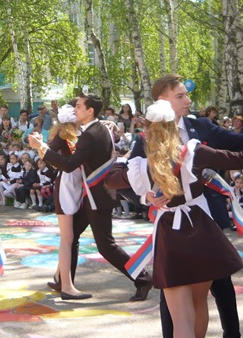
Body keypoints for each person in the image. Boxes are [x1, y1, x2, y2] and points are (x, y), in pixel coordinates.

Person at [127, 99, 243, 338]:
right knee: (199, 303)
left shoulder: (140, 163)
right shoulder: (194, 151)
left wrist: (146, 197)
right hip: (200, 229)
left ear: (148, 129)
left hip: (170, 235)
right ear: (174, 126)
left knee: (181, 319)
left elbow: (114, 179)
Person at [28, 93, 154, 302]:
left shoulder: (91, 134)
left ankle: (142, 278)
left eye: (78, 106)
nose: (74, 110)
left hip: (97, 196)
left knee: (106, 246)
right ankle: (63, 281)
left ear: (90, 111)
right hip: (93, 194)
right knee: (72, 236)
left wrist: (41, 148)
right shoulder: (99, 128)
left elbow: (69, 165)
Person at [41, 102, 92, 300]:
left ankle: (59, 277)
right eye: (76, 109)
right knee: (67, 238)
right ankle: (67, 287)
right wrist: (58, 164)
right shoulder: (63, 135)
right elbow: (47, 154)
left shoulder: (83, 133)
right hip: (66, 186)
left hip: (79, 183)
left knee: (70, 236)